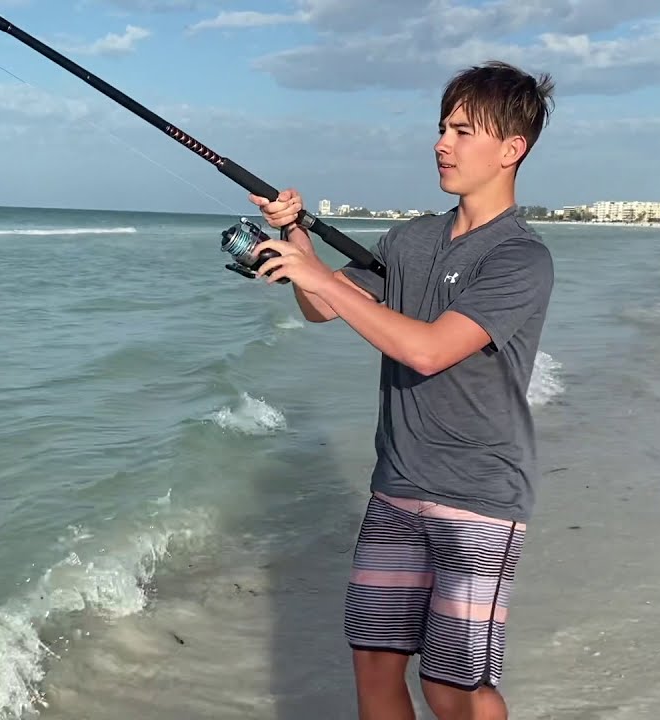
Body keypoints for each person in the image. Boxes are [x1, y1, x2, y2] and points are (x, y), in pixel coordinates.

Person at [247, 60, 556, 720]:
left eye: (463, 130)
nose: (442, 143)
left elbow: (427, 348)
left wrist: (318, 275)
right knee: (375, 664)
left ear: (511, 149)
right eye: (441, 127)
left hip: (478, 498)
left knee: (453, 689)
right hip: (396, 488)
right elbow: (321, 309)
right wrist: (294, 235)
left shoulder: (520, 258)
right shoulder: (410, 239)